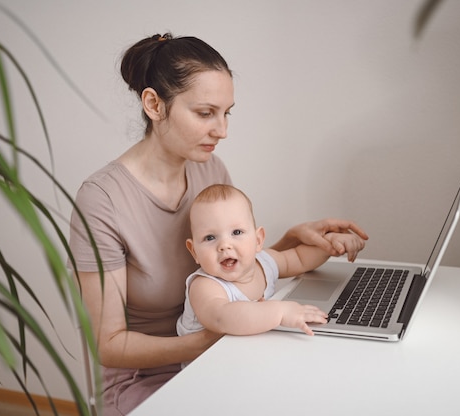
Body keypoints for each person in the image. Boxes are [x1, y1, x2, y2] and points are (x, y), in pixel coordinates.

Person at [69, 32, 368, 416]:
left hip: (219, 351)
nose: (222, 130)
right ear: (154, 104)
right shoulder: (102, 200)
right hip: (145, 378)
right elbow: (108, 345)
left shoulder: (210, 170)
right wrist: (213, 338)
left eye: (227, 113)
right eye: (205, 113)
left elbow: (227, 270)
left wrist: (291, 242)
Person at [177, 184, 365, 346]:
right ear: (194, 252)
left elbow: (299, 258)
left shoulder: (264, 262)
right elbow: (222, 317)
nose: (225, 245)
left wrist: (331, 244)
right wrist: (280, 312)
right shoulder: (205, 285)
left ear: (258, 240)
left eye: (236, 232)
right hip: (207, 367)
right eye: (210, 237)